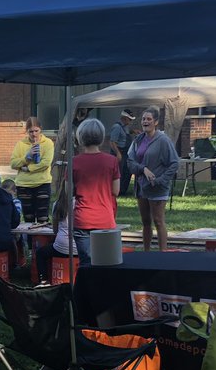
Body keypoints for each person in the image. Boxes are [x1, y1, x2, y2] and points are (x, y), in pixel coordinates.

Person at [127, 107, 179, 252]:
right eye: (143, 119)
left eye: (149, 119)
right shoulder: (138, 140)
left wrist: (161, 180)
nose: (145, 121)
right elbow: (130, 162)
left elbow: (174, 163)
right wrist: (143, 169)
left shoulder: (163, 140)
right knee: (145, 222)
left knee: (158, 220)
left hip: (157, 188)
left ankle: (163, 254)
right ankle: (147, 252)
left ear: (156, 122)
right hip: (141, 187)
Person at [71, 118, 120, 263]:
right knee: (107, 262)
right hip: (105, 218)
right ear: (101, 137)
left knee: (86, 264)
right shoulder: (112, 161)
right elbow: (116, 191)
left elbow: (68, 192)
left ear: (80, 137)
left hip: (83, 218)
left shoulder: (74, 161)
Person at [9, 116, 54, 223]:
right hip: (24, 185)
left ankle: (42, 240)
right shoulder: (21, 144)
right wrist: (26, 157)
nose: (34, 134)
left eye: (36, 131)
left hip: (42, 183)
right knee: (28, 218)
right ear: (27, 131)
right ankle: (29, 240)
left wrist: (28, 169)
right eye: (30, 132)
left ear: (41, 129)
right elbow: (13, 163)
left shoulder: (48, 143)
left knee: (42, 218)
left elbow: (46, 163)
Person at [33, 189, 76, 284]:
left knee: (40, 253)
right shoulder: (82, 203)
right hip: (80, 247)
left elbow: (55, 230)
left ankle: (43, 281)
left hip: (61, 247)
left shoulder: (57, 204)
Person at [109, 109, 136, 197]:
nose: (131, 121)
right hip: (119, 152)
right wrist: (118, 153)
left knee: (127, 171)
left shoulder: (125, 126)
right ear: (124, 118)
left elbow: (125, 134)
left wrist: (133, 131)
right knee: (119, 172)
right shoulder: (116, 127)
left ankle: (123, 190)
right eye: (130, 119)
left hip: (125, 153)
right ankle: (118, 191)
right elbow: (112, 142)